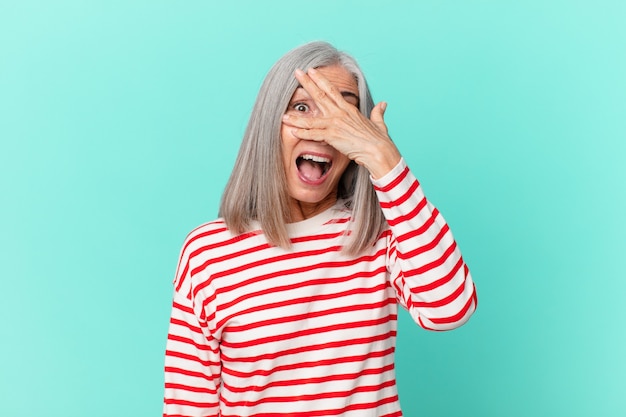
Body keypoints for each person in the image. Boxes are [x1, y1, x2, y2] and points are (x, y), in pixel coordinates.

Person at [163, 41, 477, 417]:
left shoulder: (382, 236)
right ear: (269, 124)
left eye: (343, 111)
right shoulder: (207, 253)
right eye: (301, 107)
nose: (322, 128)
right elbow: (188, 407)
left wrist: (385, 160)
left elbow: (450, 309)